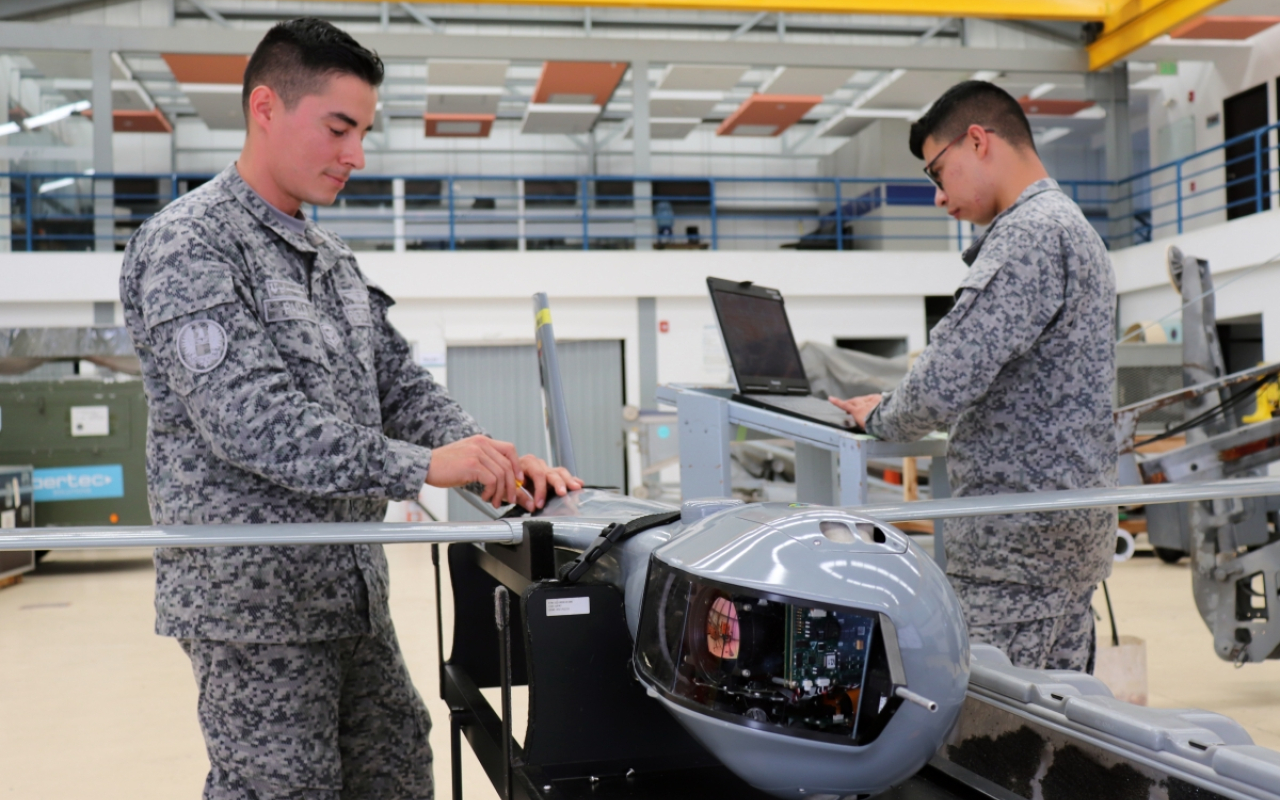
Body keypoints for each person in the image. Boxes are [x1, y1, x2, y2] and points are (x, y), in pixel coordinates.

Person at [119, 18, 581, 799]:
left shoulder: (330, 261)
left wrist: (489, 454)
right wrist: (422, 467)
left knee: (398, 768)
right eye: (340, 128)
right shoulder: (190, 246)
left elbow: (398, 384)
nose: (356, 156)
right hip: (252, 607)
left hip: (347, 591)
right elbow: (250, 420)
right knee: (283, 788)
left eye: (363, 132)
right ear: (266, 107)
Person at [829, 81, 1116, 673]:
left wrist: (881, 414)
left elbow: (939, 385)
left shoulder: (1026, 236)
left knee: (992, 743)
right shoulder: (1073, 227)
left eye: (937, 172)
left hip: (1014, 560)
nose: (938, 197)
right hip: (1063, 547)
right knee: (1056, 735)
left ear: (978, 141)